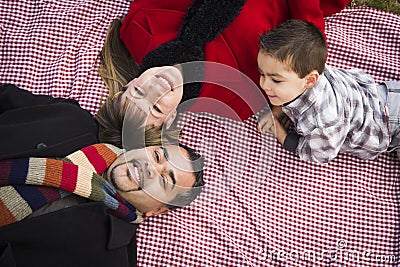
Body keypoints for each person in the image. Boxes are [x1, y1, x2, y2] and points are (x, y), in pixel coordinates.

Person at [100, 0, 351, 122]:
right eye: (155, 107)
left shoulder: (140, 29)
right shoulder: (237, 96)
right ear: (170, 120)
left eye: (136, 91)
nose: (154, 89)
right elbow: (306, 40)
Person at [257, 19, 400, 164]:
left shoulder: (324, 121)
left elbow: (319, 155)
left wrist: (279, 133)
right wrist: (279, 109)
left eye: (275, 80)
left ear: (310, 80)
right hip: (388, 95)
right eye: (261, 74)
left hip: (391, 126)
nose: (264, 85)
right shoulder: (307, 69)